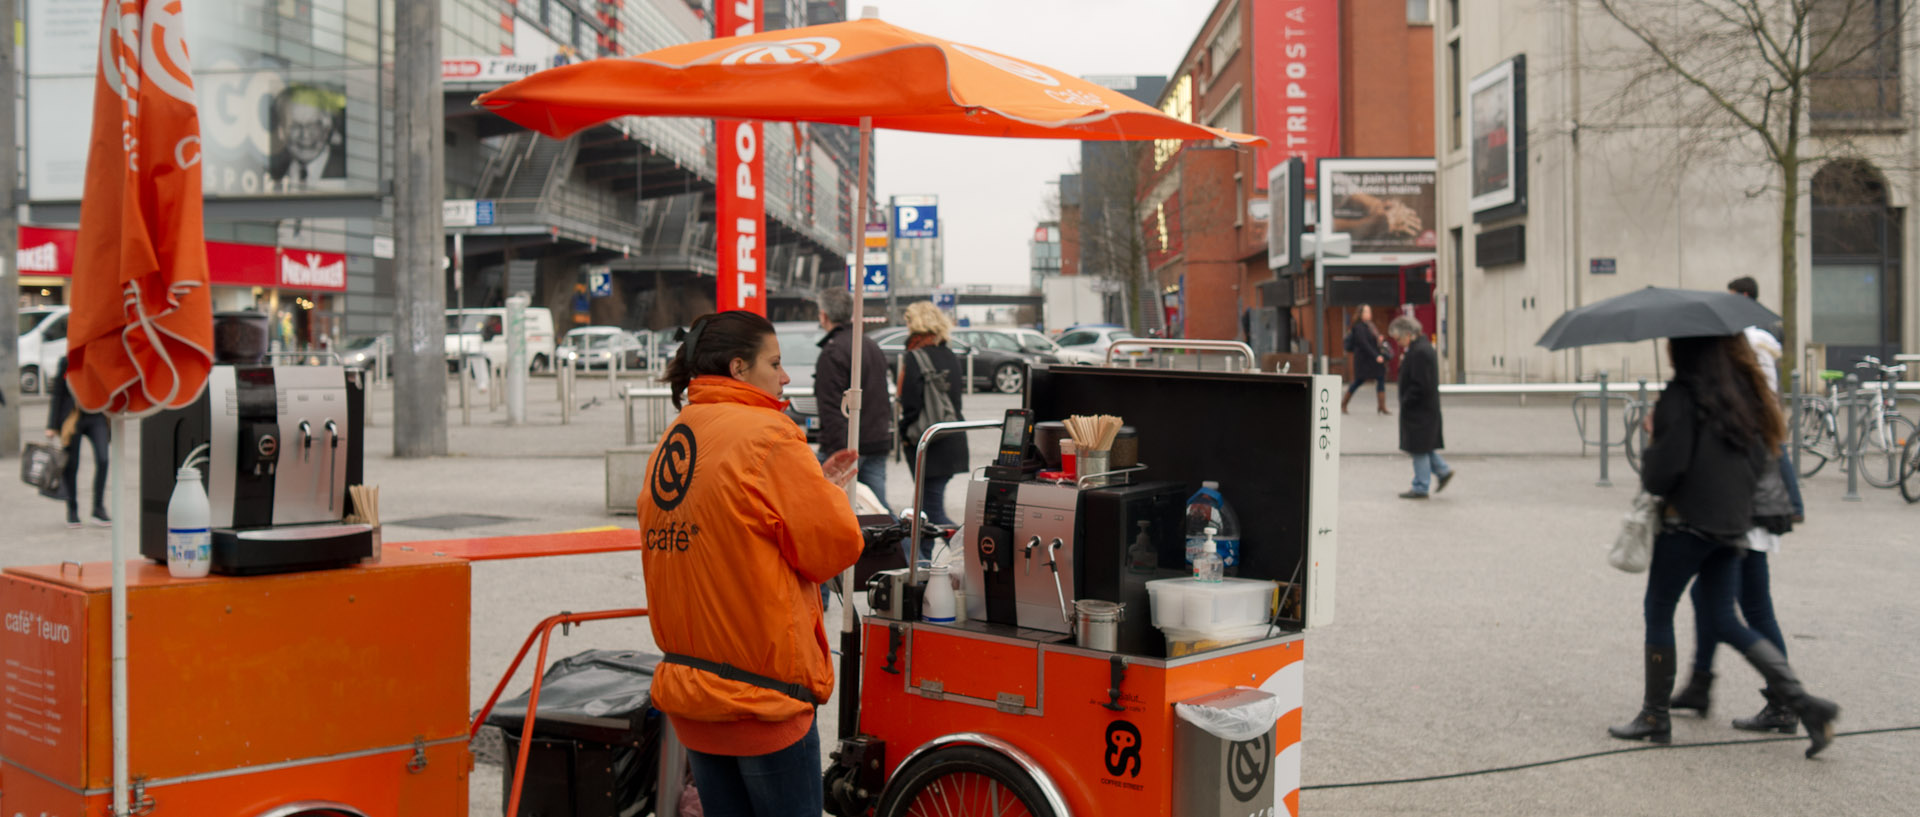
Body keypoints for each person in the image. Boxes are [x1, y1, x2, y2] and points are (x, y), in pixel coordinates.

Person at [638, 311, 864, 815]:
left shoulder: (680, 433)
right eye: (776, 362)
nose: (785, 376)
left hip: (693, 688)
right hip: (761, 697)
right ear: (739, 367)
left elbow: (729, 526)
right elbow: (833, 549)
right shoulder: (769, 434)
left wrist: (811, 487)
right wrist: (828, 500)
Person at [1610, 335, 1839, 758]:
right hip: (1732, 524)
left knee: (1658, 610)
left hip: (1687, 523)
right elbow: (1763, 457)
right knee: (1725, 619)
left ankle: (1654, 716)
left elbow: (1664, 470)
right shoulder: (1743, 395)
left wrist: (1656, 434)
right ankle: (1805, 706)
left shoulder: (1681, 394)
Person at [1668, 278, 1806, 730]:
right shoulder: (1750, 386)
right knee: (1715, 598)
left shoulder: (1736, 393)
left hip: (1747, 512)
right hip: (1749, 511)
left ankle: (1790, 701)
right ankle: (1701, 682)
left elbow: (1757, 457)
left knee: (1749, 605)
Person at [896, 302, 967, 558]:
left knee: (932, 511)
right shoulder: (950, 355)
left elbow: (911, 405)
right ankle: (923, 559)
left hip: (928, 442)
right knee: (926, 508)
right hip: (952, 439)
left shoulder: (915, 357)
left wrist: (904, 433)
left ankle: (967, 557)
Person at [813, 289, 893, 511]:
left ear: (824, 316)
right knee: (878, 511)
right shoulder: (869, 345)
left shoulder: (832, 352)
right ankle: (903, 543)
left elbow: (830, 408)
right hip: (876, 440)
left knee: (823, 506)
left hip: (846, 446)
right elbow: (881, 394)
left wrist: (837, 450)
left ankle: (904, 542)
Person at [1388, 316, 1453, 498]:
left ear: (1408, 334)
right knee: (1424, 445)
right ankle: (1442, 471)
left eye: (1399, 339)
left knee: (1419, 448)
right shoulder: (1421, 349)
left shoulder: (1419, 352)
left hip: (1419, 410)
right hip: (1424, 409)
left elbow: (1420, 383)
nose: (1399, 343)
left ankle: (1421, 486)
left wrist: (1407, 400)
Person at [44, 357, 111, 528]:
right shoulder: (67, 360)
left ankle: (98, 508)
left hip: (97, 416)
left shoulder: (101, 357)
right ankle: (72, 510)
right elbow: (58, 393)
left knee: (103, 459)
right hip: (73, 417)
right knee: (71, 465)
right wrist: (52, 425)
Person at [268, 84, 345, 186]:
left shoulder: (347, 171)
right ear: (281, 131)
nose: (305, 135)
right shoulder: (273, 175)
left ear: (327, 127)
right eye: (294, 126)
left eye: (312, 125)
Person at [1342, 305, 1390, 415]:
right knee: (1359, 381)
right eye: (1367, 311)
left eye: (1370, 311)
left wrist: (1379, 339)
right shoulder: (1359, 327)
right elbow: (1364, 344)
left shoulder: (1370, 325)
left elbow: (1372, 341)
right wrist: (1376, 356)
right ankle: (1344, 403)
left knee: (1381, 378)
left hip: (1373, 359)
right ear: (1361, 314)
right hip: (1364, 360)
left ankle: (1382, 406)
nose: (1369, 313)